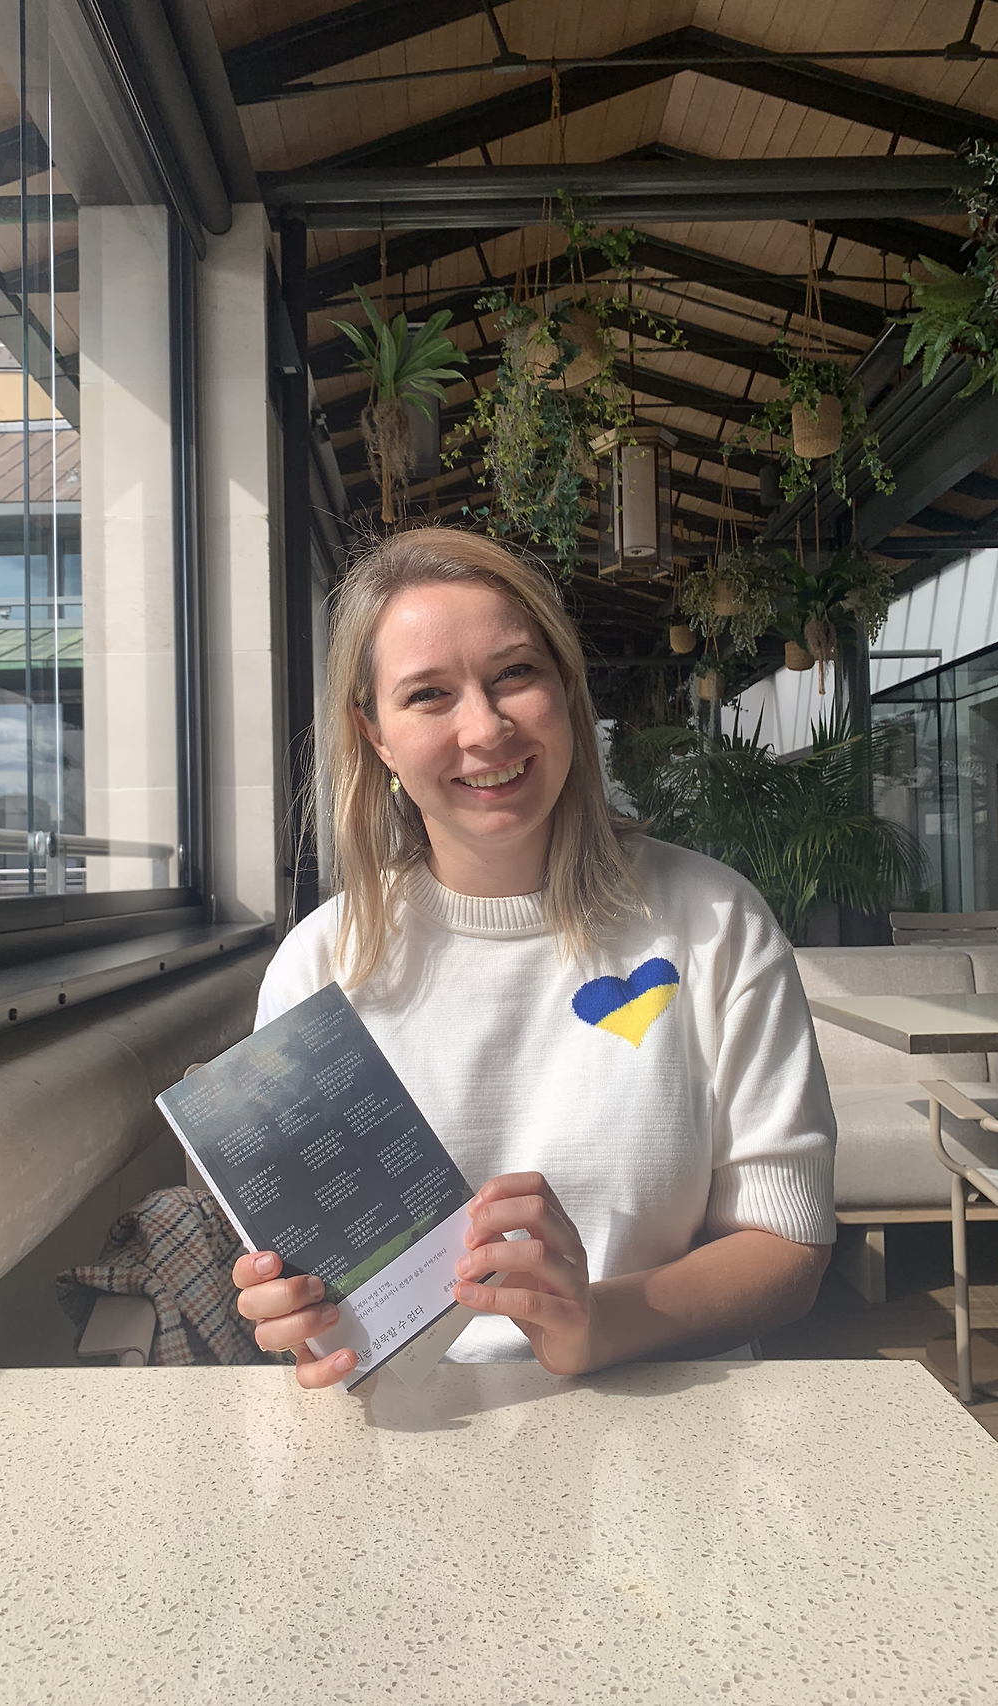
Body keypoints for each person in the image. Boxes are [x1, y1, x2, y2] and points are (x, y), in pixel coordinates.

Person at [234, 527, 836, 1389]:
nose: (485, 728)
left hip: (675, 1419)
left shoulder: (714, 922)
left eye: (515, 673)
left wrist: (599, 1322)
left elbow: (789, 1244)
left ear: (566, 687)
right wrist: (295, 1314)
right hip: (417, 1426)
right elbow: (318, 1288)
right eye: (429, 695)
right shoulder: (319, 968)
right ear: (376, 736)